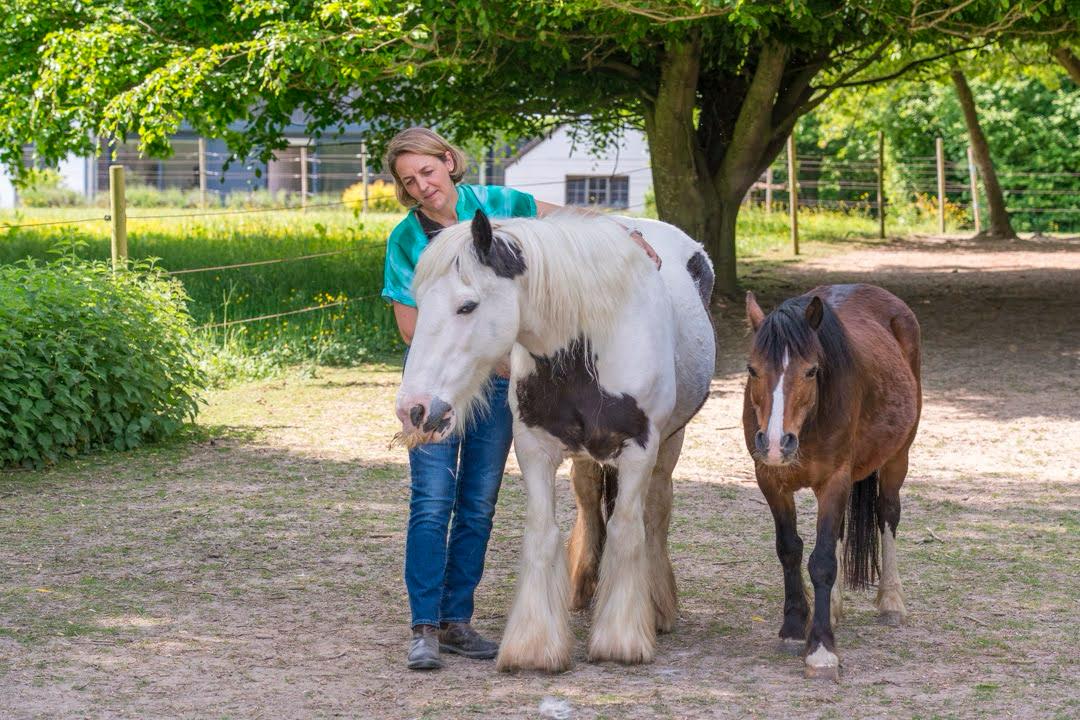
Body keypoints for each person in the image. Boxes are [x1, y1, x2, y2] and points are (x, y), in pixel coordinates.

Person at [380, 127, 659, 671]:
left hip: (505, 382)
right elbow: (412, 330)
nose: (422, 186)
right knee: (432, 502)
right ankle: (424, 627)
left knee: (479, 502)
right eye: (409, 181)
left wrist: (624, 231)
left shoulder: (500, 205)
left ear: (448, 161)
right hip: (445, 381)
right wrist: (486, 349)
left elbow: (566, 223)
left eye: (428, 172)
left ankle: (457, 620)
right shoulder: (406, 241)